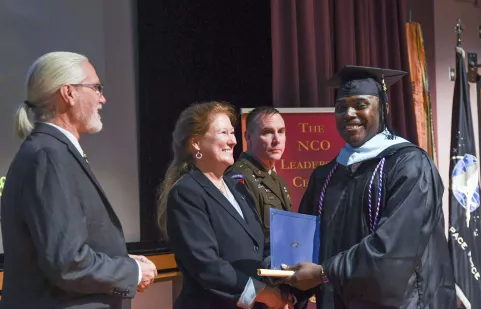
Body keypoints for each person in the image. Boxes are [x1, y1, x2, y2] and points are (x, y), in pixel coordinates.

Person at [282, 66, 456, 309]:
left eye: (360, 104)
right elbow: (303, 243)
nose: (349, 114)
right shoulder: (326, 175)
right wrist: (283, 279)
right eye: (341, 107)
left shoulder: (410, 165)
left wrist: (324, 272)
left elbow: (394, 249)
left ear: (383, 108)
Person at [0, 51, 157, 309]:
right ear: (68, 93)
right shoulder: (48, 156)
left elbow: (66, 246)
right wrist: (132, 272)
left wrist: (122, 261)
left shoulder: (53, 151)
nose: (103, 98)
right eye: (96, 88)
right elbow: (67, 262)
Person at [157, 101, 294, 309]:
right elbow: (206, 267)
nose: (233, 141)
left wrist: (290, 275)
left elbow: (258, 248)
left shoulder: (236, 188)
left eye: (232, 133)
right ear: (196, 143)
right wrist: (262, 294)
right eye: (224, 133)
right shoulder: (187, 192)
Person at [225, 106, 292, 256]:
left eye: (281, 132)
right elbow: (243, 240)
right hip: (259, 272)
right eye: (267, 132)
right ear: (248, 137)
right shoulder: (238, 177)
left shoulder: (278, 179)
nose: (277, 140)